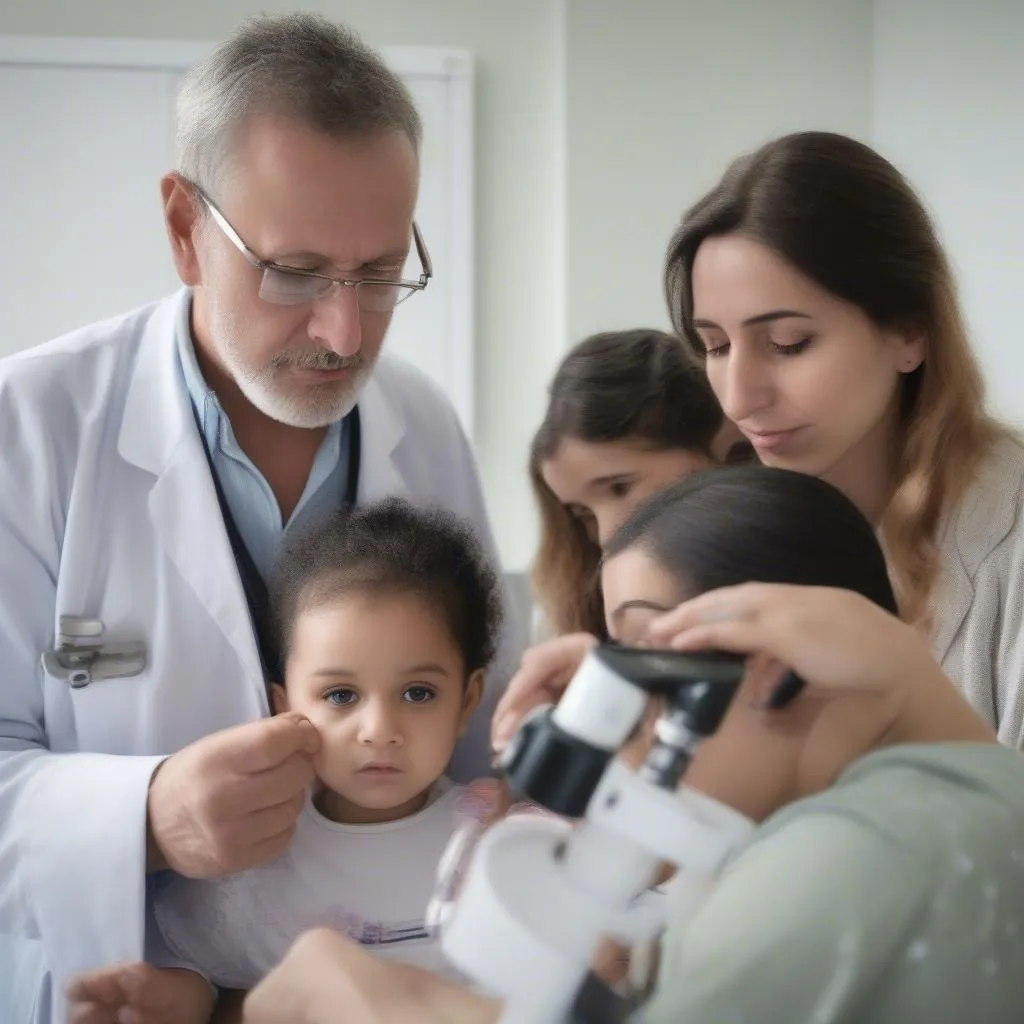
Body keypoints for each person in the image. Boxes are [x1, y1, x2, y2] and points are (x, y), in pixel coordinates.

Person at [0, 15, 520, 1023]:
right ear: (186, 229)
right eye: (294, 270)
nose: (342, 330)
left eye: (379, 274)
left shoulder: (419, 422)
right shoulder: (28, 428)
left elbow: (475, 738)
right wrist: (141, 816)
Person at [241, 467, 1023, 1023]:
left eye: (646, 652)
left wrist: (392, 1006)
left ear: (775, 663)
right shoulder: (949, 791)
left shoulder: (840, 865)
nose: (618, 716)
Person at [66, 499, 503, 1023]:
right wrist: (169, 1001)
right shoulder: (257, 859)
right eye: (341, 696)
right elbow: (216, 989)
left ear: (467, 701)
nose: (380, 732)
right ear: (286, 707)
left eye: (417, 693)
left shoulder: (498, 844)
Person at [662, 129, 1024, 748]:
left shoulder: (1007, 544)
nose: (740, 398)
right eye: (716, 347)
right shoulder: (740, 534)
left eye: (788, 344)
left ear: (909, 331)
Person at [530, 328, 748, 637]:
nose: (606, 537)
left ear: (722, 442)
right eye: (583, 514)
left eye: (620, 487)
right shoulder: (562, 624)